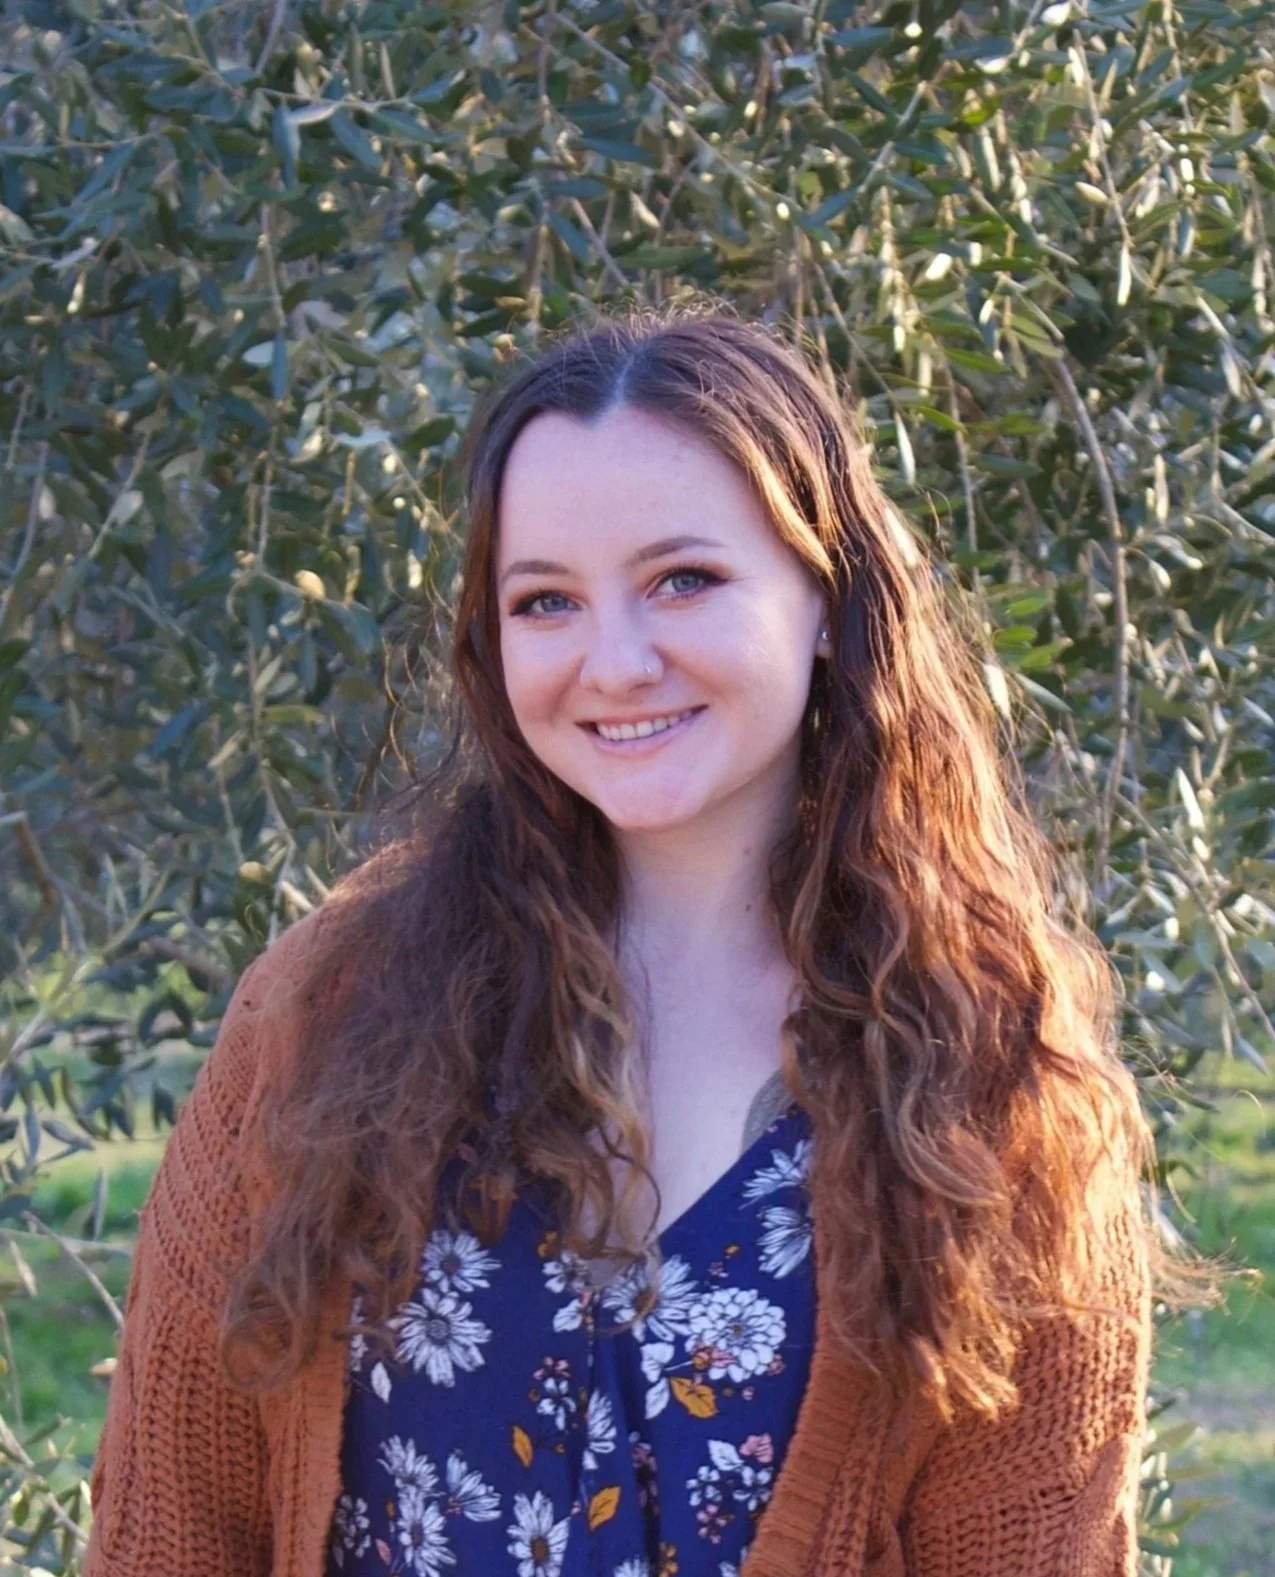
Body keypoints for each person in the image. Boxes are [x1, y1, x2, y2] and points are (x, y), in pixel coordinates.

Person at [85, 306, 1167, 1577]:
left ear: (828, 598)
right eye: (546, 600)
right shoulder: (330, 1009)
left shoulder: (1000, 1086)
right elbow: (172, 1519)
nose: (617, 659)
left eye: (684, 579)